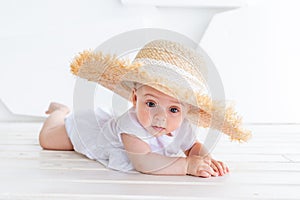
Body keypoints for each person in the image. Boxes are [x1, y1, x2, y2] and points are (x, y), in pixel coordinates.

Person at [39, 40, 251, 177]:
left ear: (187, 111)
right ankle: (60, 112)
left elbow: (192, 146)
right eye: (150, 104)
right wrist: (187, 166)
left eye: (174, 110)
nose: (160, 117)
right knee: (48, 140)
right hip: (94, 131)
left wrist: (205, 159)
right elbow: (144, 162)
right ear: (134, 98)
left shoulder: (182, 125)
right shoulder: (131, 125)